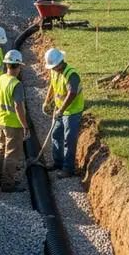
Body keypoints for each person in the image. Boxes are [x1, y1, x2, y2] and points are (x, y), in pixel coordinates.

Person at [42, 48, 84, 178]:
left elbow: (71, 93)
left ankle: (68, 168)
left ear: (61, 62)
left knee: (69, 140)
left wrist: (61, 110)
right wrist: (47, 101)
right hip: (60, 110)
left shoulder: (72, 75)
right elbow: (52, 86)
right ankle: (58, 162)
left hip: (72, 111)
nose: (53, 69)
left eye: (54, 66)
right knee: (56, 135)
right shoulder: (56, 71)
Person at [0, 49, 29, 192]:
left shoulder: (0, 79)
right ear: (19, 66)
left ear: (6, 65)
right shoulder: (16, 84)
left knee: (2, 150)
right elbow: (18, 106)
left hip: (0, 120)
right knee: (12, 154)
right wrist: (25, 126)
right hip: (13, 124)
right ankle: (7, 184)